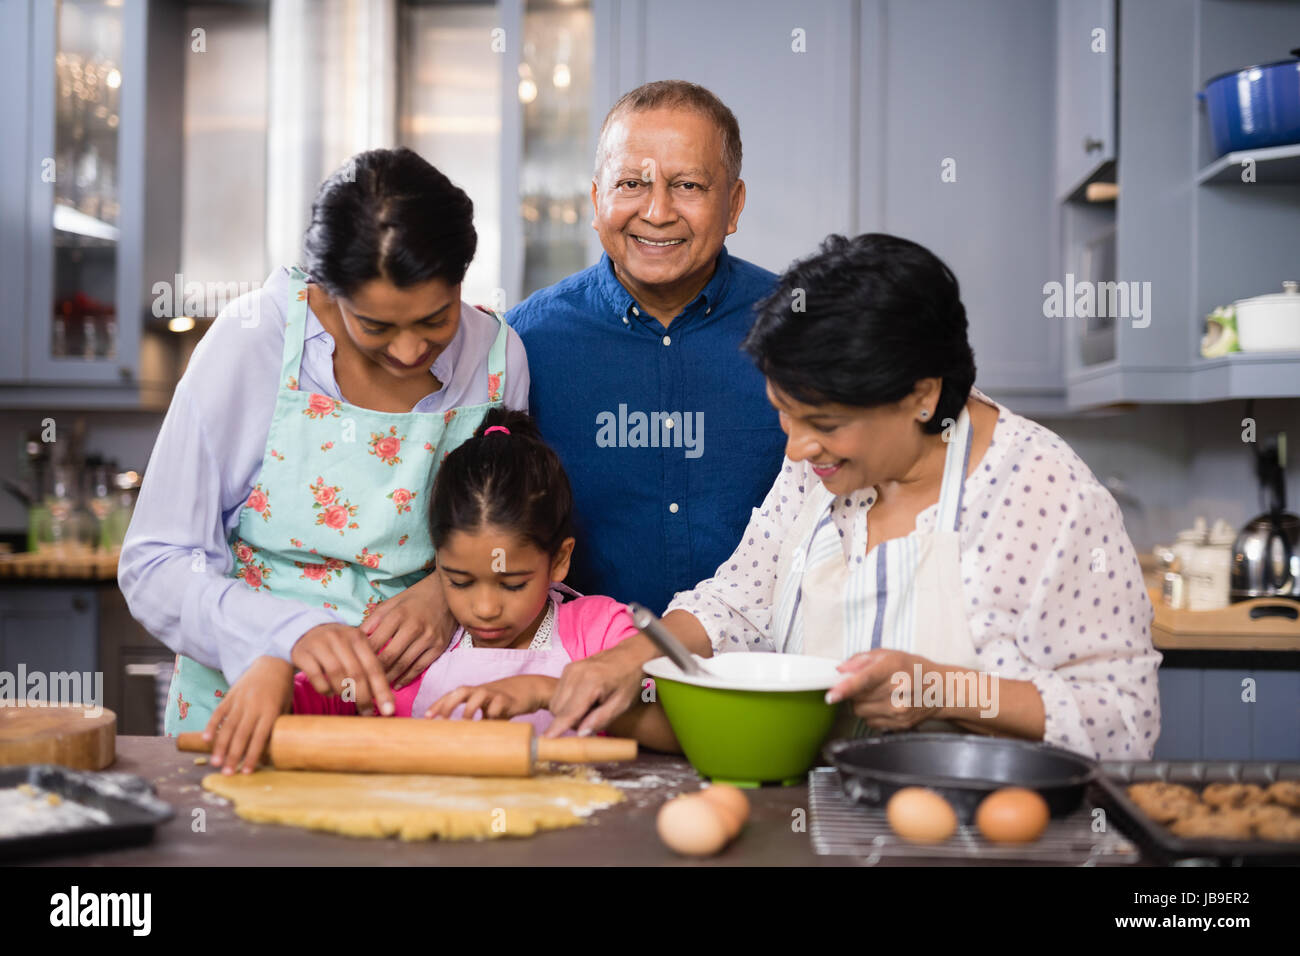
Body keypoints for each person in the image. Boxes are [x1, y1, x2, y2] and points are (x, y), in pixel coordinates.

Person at [550, 233, 1161, 761]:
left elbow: (1122, 720)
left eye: (825, 424)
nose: (796, 450)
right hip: (810, 818)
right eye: (784, 416)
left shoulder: (1044, 495)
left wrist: (941, 690)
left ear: (922, 395)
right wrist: (626, 660)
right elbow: (739, 601)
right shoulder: (821, 469)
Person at [119, 148, 529, 773]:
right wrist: (289, 634)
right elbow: (156, 565)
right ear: (324, 292)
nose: (411, 348)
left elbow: (512, 533)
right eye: (376, 326)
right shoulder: (253, 340)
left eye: (435, 318)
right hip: (251, 716)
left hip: (422, 715)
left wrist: (445, 591)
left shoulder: (499, 357)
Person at [508, 80, 785, 619]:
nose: (657, 212)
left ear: (734, 205)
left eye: (688, 186)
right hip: (582, 674)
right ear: (596, 200)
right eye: (631, 183)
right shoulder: (522, 344)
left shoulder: (804, 330)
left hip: (766, 671)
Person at [291, 409, 676, 750]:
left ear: (559, 560)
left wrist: (548, 692)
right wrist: (274, 674)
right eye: (459, 582)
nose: (486, 610)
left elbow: (680, 732)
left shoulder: (602, 634)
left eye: (512, 584)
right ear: (437, 562)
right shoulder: (411, 646)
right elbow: (309, 703)